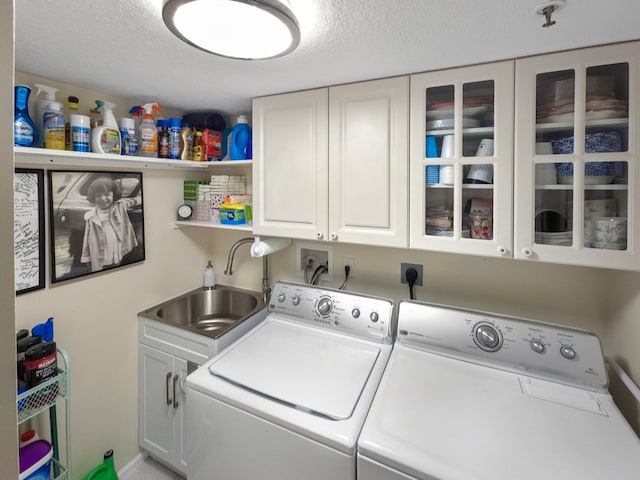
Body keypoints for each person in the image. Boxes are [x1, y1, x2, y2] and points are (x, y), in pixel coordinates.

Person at [81, 176, 141, 272]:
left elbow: (134, 200)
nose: (103, 198)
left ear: (114, 194)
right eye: (98, 195)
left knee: (116, 269)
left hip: (115, 249)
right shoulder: (91, 216)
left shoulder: (120, 206)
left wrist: (140, 197)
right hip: (99, 251)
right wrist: (86, 257)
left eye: (107, 194)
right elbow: (87, 238)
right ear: (93, 196)